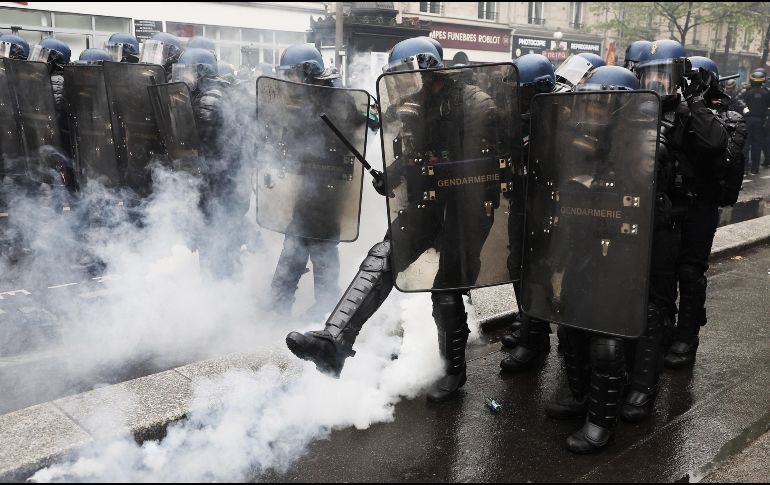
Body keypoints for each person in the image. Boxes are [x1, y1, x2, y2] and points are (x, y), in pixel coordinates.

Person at [285, 37, 504, 402]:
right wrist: (393, 174)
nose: (406, 83)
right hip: (428, 203)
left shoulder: (475, 104)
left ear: (429, 67)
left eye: (409, 73)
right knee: (382, 258)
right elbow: (414, 153)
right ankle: (334, 342)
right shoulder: (415, 104)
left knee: (446, 292)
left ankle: (453, 371)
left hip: (466, 210)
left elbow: (486, 164)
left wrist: (442, 163)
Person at [536, 65, 644, 453]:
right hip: (584, 244)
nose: (589, 115)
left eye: (598, 108)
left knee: (607, 339)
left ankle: (601, 421)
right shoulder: (581, 143)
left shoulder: (646, 147)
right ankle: (580, 395)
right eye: (589, 106)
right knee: (572, 324)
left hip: (622, 250)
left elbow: (643, 201)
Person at [620, 40, 727, 424]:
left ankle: (671, 350)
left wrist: (693, 104)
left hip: (678, 212)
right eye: (648, 74)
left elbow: (715, 144)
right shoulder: (631, 107)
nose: (656, 82)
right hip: (635, 212)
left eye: (664, 74)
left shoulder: (691, 111)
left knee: (674, 282)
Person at [664, 56, 745, 368]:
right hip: (674, 202)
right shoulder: (675, 109)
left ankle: (687, 336)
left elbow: (715, 149)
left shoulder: (730, 117)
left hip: (702, 204)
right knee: (664, 269)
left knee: (690, 271)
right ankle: (666, 329)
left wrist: (696, 105)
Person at [267, 44, 347, 316]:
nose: (289, 81)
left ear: (308, 72)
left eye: (292, 75)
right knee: (293, 257)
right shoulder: (304, 100)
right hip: (307, 197)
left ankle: (324, 322)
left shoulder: (336, 101)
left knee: (320, 260)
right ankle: (278, 318)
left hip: (327, 198)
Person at [499, 53, 556, 371]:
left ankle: (533, 342)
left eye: (522, 93)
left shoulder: (556, 121)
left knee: (536, 271)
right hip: (521, 203)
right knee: (517, 265)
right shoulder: (521, 121)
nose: (517, 100)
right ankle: (531, 327)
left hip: (544, 207)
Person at [742, 69, 770, 173]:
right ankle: (754, 168)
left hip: (748, 120)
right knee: (756, 145)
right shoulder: (766, 93)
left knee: (746, 145)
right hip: (760, 122)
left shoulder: (747, 92)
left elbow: (741, 105)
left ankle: (744, 167)